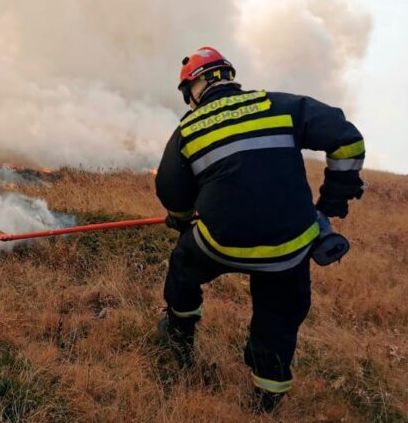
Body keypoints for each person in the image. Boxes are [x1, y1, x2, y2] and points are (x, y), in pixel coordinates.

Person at [154, 46, 365, 413]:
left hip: (221, 242)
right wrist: (332, 202)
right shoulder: (281, 105)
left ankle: (178, 336)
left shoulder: (188, 129)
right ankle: (267, 397)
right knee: (279, 315)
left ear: (196, 86)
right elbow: (348, 140)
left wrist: (182, 217)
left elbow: (171, 191)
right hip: (289, 248)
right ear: (229, 78)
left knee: (184, 264)